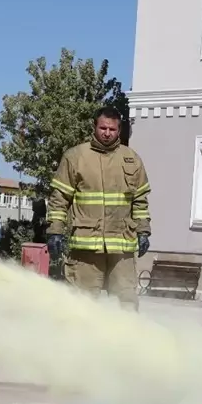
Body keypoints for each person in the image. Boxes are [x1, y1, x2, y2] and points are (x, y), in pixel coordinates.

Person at [46, 106, 152, 311]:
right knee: (81, 305)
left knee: (126, 304)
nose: (107, 133)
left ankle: (125, 342)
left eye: (112, 129)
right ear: (94, 127)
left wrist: (143, 231)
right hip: (85, 248)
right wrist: (55, 231)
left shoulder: (131, 159)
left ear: (119, 130)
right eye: (102, 128)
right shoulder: (75, 156)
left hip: (121, 247)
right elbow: (59, 198)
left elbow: (140, 200)